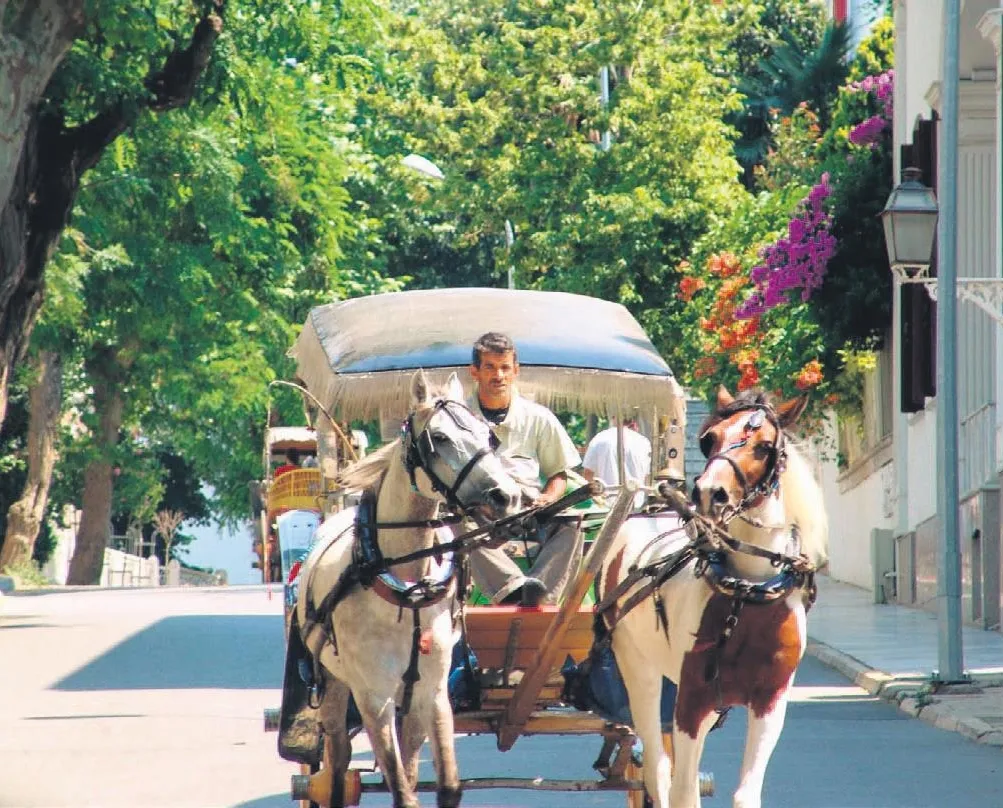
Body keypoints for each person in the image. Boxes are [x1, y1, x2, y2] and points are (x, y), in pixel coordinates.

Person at [465, 332, 584, 607]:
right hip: (479, 514)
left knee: (574, 524)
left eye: (505, 367)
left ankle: (540, 594)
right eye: (490, 367)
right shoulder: (458, 417)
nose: (499, 376)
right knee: (455, 525)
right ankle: (510, 589)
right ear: (475, 371)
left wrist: (548, 499)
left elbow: (559, 475)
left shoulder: (540, 418)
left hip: (530, 511)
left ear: (516, 371)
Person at [581, 417, 652, 493]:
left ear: (614, 418)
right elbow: (645, 476)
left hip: (606, 500)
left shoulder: (600, 438)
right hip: (636, 499)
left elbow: (588, 474)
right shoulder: (643, 442)